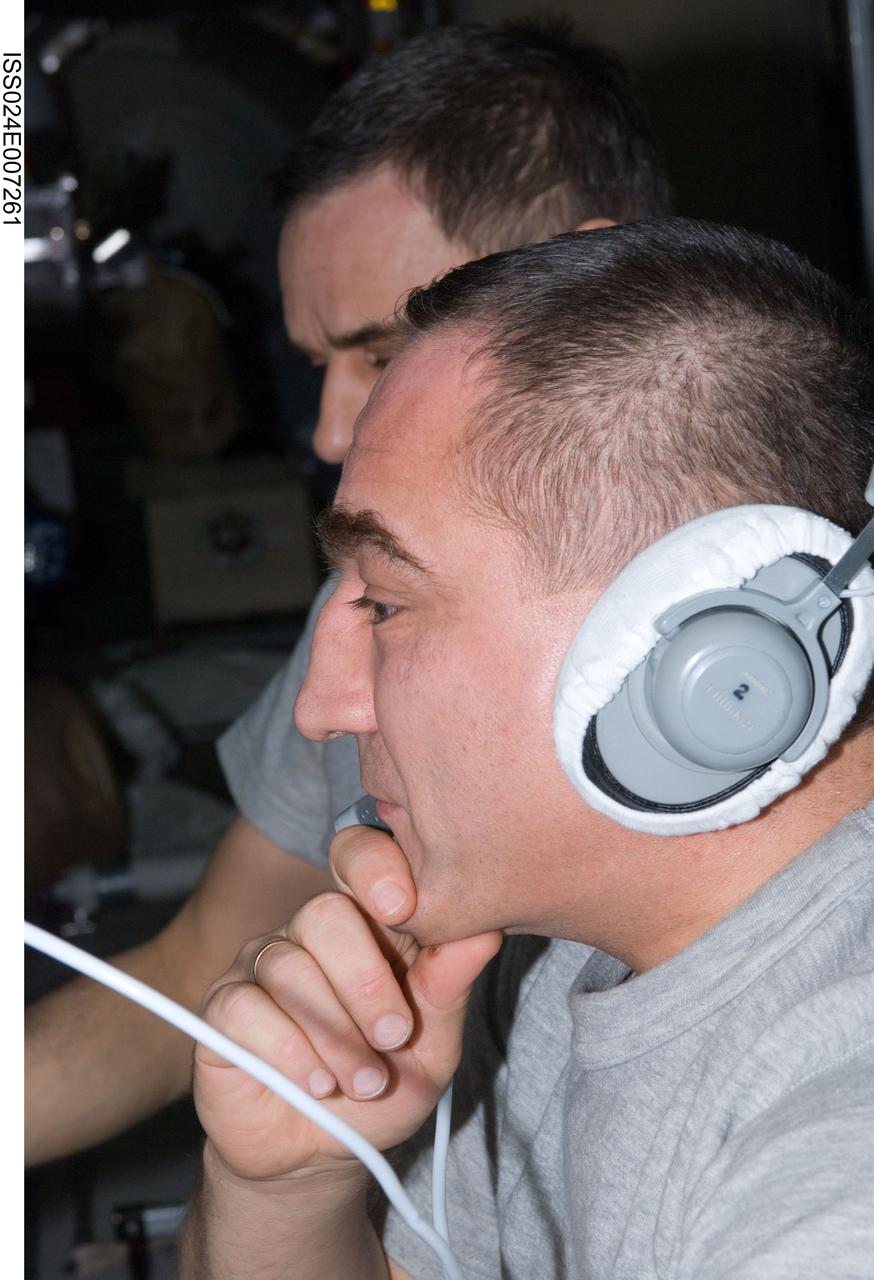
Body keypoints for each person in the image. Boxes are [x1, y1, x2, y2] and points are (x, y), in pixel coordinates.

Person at [25, 21, 671, 1165]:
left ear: (592, 289)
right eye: (318, 365)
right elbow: (199, 965)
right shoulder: (362, 612)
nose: (329, 431)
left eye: (379, 352)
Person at [180, 219, 874, 1279]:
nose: (321, 710)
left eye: (385, 604)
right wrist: (286, 1188)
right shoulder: (559, 964)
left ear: (709, 659)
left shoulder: (835, 1168)